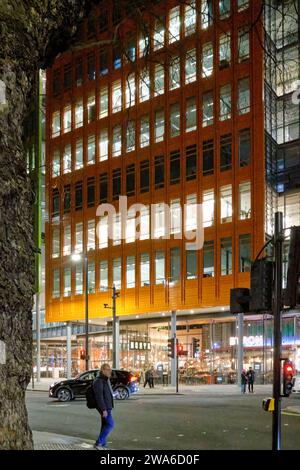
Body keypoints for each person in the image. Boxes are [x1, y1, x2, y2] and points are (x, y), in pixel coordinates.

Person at [93, 363, 114, 450]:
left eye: (110, 369)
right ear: (103, 370)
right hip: (104, 407)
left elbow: (106, 393)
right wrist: (104, 409)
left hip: (107, 406)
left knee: (105, 425)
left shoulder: (105, 380)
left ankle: (103, 443)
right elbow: (99, 397)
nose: (110, 371)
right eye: (108, 370)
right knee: (110, 424)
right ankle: (99, 443)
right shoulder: (99, 381)